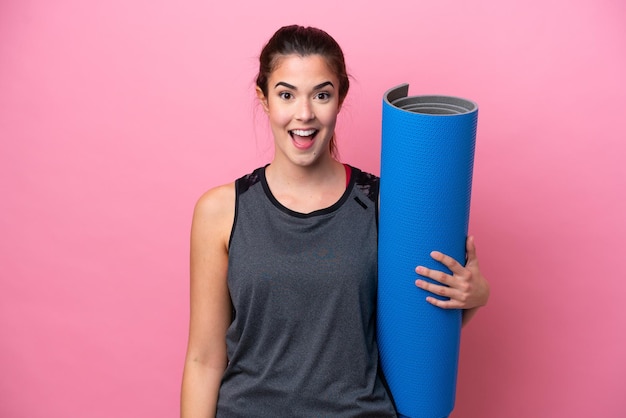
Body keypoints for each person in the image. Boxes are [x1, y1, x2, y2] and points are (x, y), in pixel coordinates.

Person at [180, 25, 490, 417]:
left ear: (339, 99)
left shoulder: (388, 207)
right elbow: (203, 360)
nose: (304, 114)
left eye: (321, 94)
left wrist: (475, 298)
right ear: (264, 100)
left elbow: (414, 332)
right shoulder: (220, 211)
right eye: (286, 94)